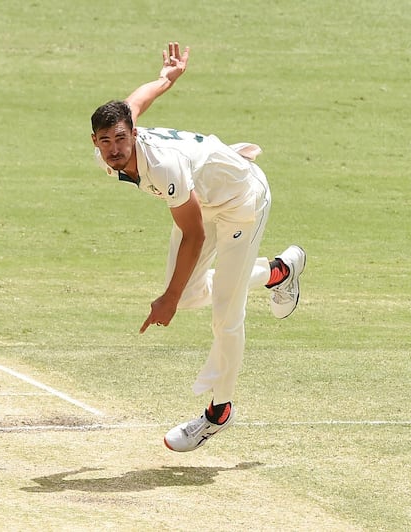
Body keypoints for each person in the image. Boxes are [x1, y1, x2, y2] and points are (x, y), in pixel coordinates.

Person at [90, 42, 306, 452]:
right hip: (201, 198)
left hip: (241, 200)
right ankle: (278, 273)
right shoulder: (112, 144)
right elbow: (134, 102)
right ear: (96, 140)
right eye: (105, 141)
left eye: (121, 138)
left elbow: (195, 236)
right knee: (192, 294)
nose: (114, 148)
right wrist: (165, 78)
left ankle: (218, 412)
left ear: (132, 134)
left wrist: (167, 299)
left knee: (226, 311)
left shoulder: (162, 166)